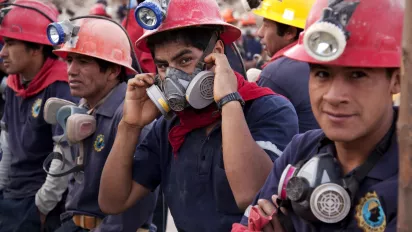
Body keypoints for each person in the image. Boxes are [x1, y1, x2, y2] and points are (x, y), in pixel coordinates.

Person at [99, 0, 299, 231]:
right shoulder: (171, 125)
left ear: (216, 53)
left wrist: (227, 100)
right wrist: (130, 125)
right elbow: (113, 201)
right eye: (163, 66)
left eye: (184, 60)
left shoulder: (270, 109)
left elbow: (250, 195)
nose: (172, 77)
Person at [234, 0, 403, 231]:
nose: (333, 96)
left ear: (396, 79)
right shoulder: (301, 149)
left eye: (357, 75)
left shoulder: (405, 175)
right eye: (322, 73)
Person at [47, 17, 157, 232]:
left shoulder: (130, 116)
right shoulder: (86, 104)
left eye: (84, 62)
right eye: (70, 60)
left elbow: (133, 208)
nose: (71, 70)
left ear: (113, 71)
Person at [0, 0, 76, 231]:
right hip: (12, 193)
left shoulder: (61, 86)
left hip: (40, 201)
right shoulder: (13, 83)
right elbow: (7, 143)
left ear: (36, 48)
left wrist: (42, 206)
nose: (2, 52)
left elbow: (65, 152)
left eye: (11, 44)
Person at [253, 0, 319, 133]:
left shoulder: (276, 73)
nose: (259, 33)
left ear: (290, 32)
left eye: (266, 25)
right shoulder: (316, 59)